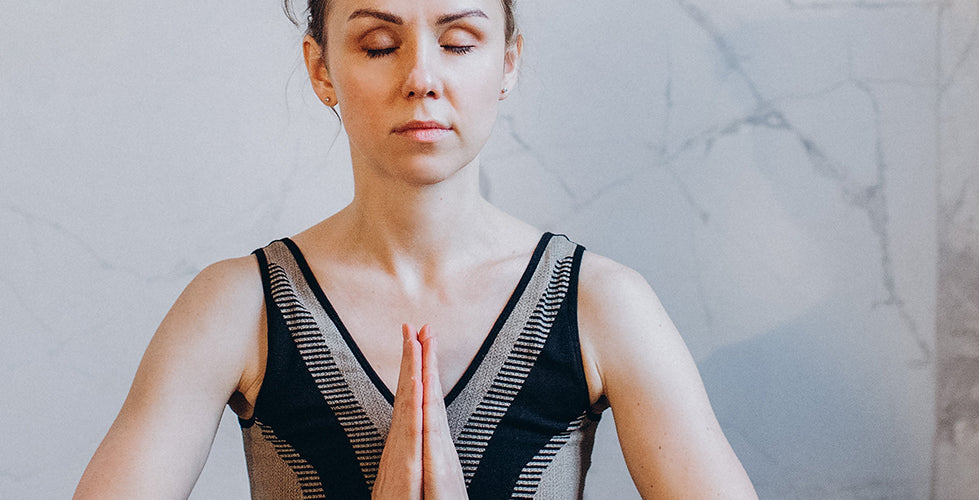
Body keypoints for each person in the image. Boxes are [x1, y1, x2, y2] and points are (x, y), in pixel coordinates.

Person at [73, 0, 756, 497]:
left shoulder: (601, 306)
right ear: (321, 68)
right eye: (377, 45)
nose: (421, 77)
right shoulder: (235, 306)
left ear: (508, 62)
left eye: (459, 41)